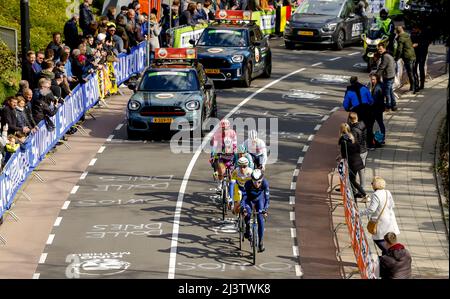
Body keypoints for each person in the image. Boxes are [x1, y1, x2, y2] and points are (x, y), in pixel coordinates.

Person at [359, 176, 400, 255]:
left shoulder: (375, 195)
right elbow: (392, 205)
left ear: (375, 185)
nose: (371, 185)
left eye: (372, 183)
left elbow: (371, 209)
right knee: (387, 240)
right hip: (390, 220)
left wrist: (360, 213)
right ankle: (387, 257)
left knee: (378, 240)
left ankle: (388, 255)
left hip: (381, 222)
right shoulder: (387, 192)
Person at [241, 169, 269, 253]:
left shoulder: (265, 183)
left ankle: (260, 243)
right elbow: (244, 198)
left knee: (260, 219)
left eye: (259, 182)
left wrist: (265, 210)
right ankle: (247, 228)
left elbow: (267, 199)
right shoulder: (248, 184)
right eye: (255, 182)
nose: (257, 184)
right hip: (248, 199)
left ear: (262, 180)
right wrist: (244, 208)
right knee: (248, 214)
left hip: (259, 200)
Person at [338, 123, 368, 201]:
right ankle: (353, 194)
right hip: (358, 160)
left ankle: (365, 195)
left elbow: (344, 154)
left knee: (352, 180)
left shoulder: (343, 140)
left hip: (352, 163)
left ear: (341, 130)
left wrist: (340, 157)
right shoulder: (352, 136)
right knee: (352, 179)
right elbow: (358, 148)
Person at [210, 119, 237, 192]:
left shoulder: (232, 133)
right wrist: (213, 156)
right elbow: (214, 146)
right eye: (222, 128)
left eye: (226, 128)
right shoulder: (217, 133)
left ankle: (232, 186)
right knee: (219, 168)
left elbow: (235, 143)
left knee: (232, 173)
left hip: (230, 155)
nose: (224, 129)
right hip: (220, 152)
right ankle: (219, 181)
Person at [394, 26, 418, 93]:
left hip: (407, 56)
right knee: (413, 71)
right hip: (412, 55)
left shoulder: (401, 38)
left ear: (397, 32)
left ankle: (413, 88)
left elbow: (399, 50)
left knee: (410, 72)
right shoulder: (407, 35)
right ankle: (416, 86)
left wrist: (396, 58)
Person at [348, 112, 368, 189]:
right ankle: (362, 187)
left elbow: (354, 142)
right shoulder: (363, 124)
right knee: (362, 171)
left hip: (358, 152)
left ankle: (355, 189)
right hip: (364, 150)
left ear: (350, 119)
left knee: (354, 171)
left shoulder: (353, 130)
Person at [375, 43, 397, 111]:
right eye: (378, 49)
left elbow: (382, 66)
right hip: (391, 75)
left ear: (384, 48)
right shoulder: (388, 54)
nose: (379, 51)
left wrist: (376, 74)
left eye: (380, 49)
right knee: (390, 91)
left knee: (387, 92)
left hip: (388, 77)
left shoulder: (385, 56)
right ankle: (394, 105)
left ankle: (388, 106)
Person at [411, 25, 432, 90]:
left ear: (418, 28)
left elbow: (427, 43)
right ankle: (416, 84)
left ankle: (421, 84)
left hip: (422, 53)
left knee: (421, 68)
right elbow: (411, 41)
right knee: (414, 68)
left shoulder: (425, 33)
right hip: (415, 53)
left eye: (414, 29)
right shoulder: (413, 34)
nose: (413, 30)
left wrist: (418, 44)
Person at [369, 73, 386, 145]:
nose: (372, 81)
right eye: (371, 79)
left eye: (373, 79)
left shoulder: (377, 88)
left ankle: (371, 139)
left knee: (370, 124)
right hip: (380, 107)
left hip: (375, 109)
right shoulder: (380, 85)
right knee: (380, 123)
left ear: (377, 79)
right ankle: (382, 138)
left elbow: (373, 100)